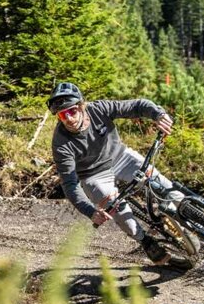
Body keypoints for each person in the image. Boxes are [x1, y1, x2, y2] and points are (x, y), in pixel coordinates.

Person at [48, 82, 190, 270]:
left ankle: (196, 219)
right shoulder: (61, 143)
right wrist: (91, 211)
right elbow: (70, 184)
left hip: (120, 157)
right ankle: (146, 241)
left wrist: (158, 114)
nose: (68, 119)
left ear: (81, 106)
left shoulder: (99, 109)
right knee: (119, 212)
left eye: (72, 111)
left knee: (163, 185)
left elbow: (136, 106)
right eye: (62, 115)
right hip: (93, 175)